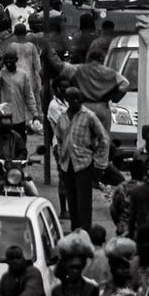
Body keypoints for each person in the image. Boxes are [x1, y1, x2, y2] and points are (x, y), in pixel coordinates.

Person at [55, 86, 108, 233]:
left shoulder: (89, 116)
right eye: (72, 99)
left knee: (83, 201)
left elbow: (104, 139)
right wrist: (60, 158)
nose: (75, 101)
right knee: (71, 199)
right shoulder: (62, 118)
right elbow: (59, 139)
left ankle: (85, 231)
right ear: (67, 100)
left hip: (84, 163)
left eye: (78, 98)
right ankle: (75, 230)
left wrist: (99, 162)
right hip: (67, 165)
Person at [0, 104, 37, 196]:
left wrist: (20, 160)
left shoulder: (15, 136)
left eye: (8, 119)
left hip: (13, 170)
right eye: (4, 120)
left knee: (32, 189)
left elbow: (22, 151)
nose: (7, 122)